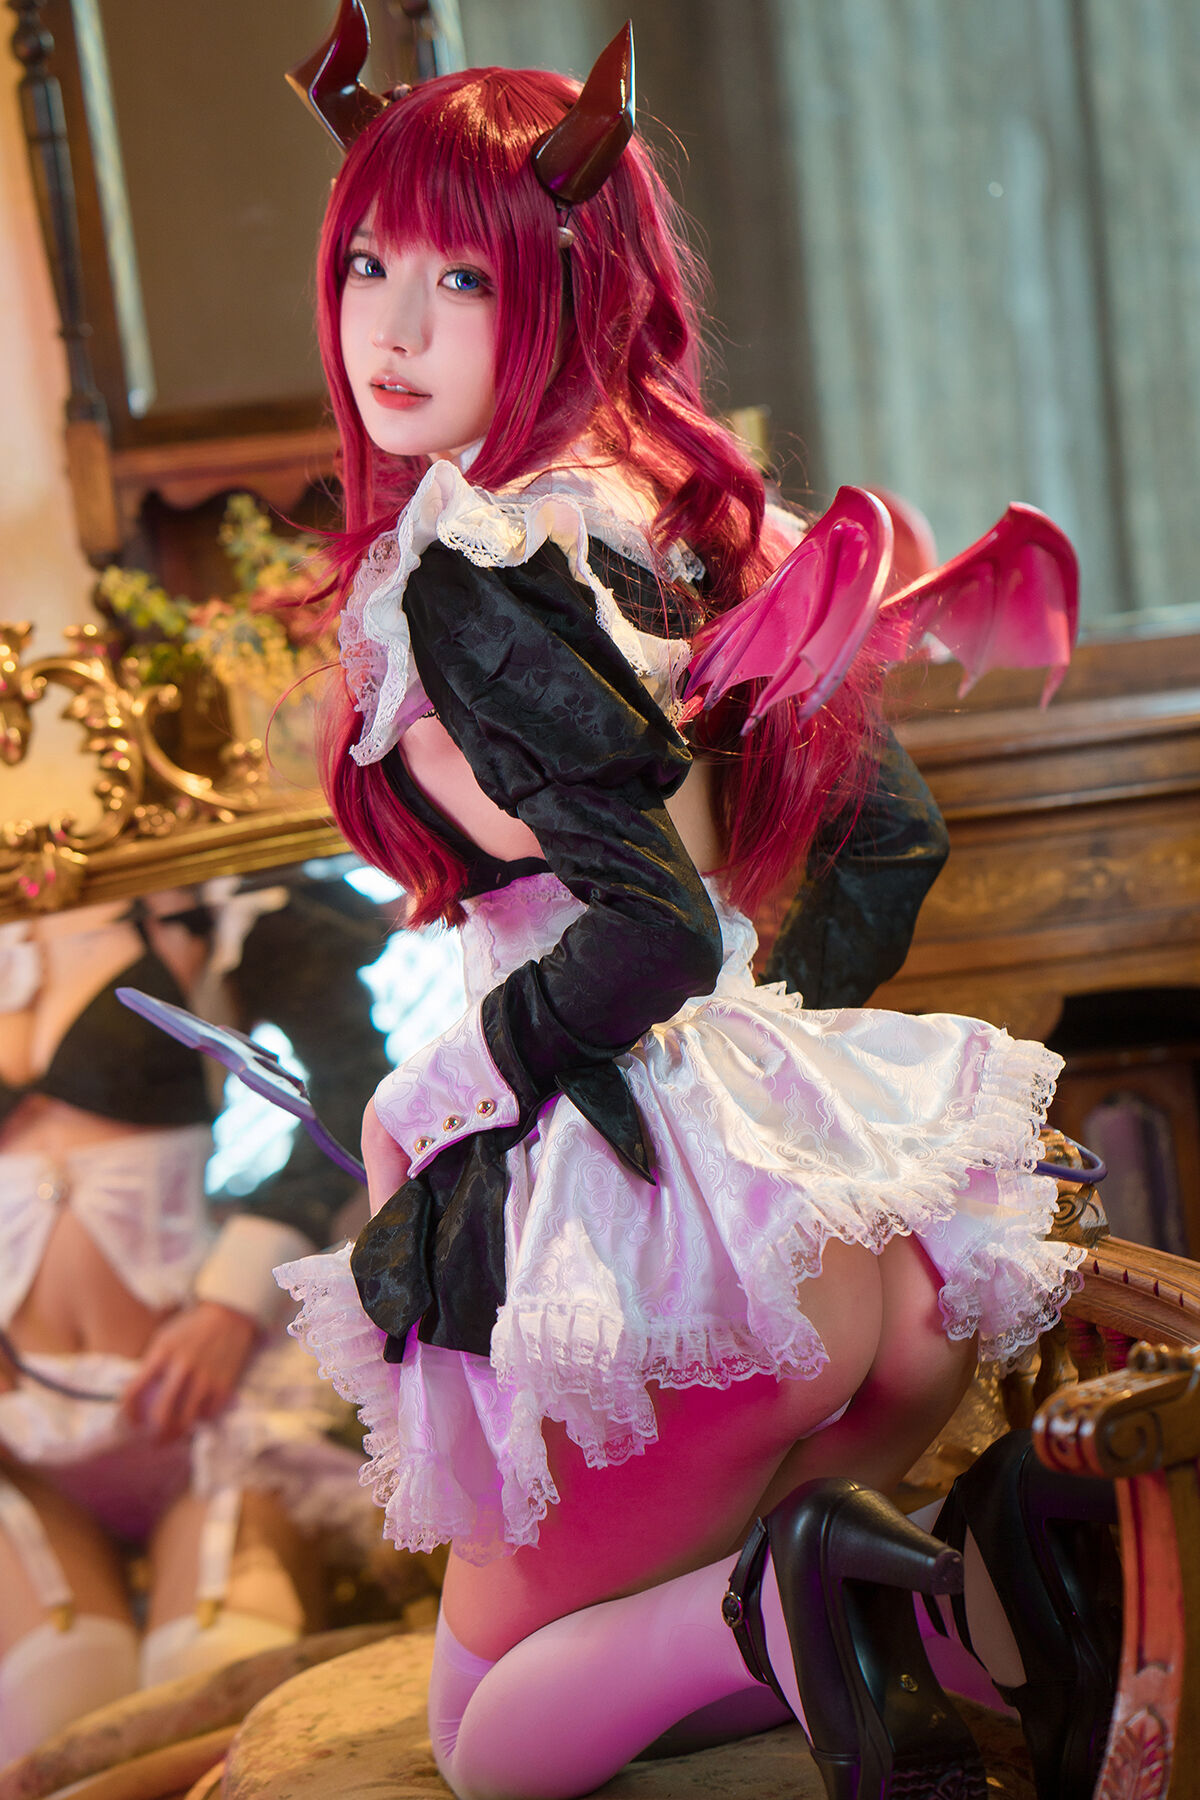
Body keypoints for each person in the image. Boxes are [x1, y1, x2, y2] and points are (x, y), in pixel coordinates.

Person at [275, 13, 1104, 1799]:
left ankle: (798, 1603)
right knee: (686, 1631)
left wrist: (472, 1070)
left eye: (462, 279)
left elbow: (641, 925)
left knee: (483, 1746)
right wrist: (767, 1080)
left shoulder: (475, 561)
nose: (393, 330)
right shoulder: (690, 517)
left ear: (567, 286)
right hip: (828, 1226)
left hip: (650, 1240)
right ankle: (973, 1603)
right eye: (366, 265)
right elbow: (889, 842)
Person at [0, 882, 383, 1760]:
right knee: (58, 1708)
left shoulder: (209, 896)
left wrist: (233, 1299)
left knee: (211, 1691)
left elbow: (356, 1094)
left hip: (208, 1412)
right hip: (18, 1442)